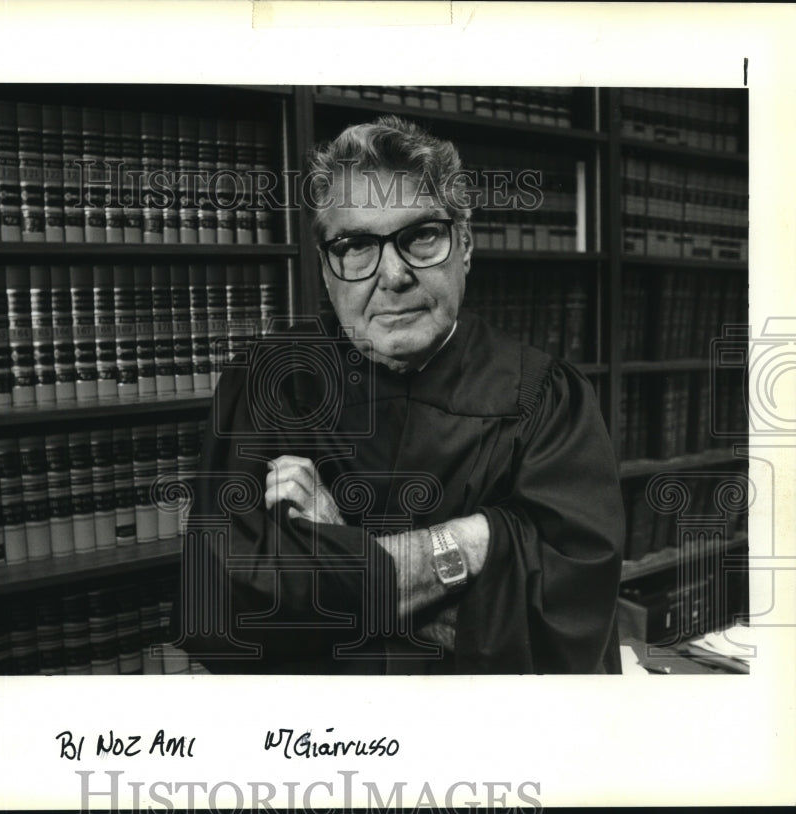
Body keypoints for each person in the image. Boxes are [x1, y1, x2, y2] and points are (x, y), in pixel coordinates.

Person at [174, 115, 624, 674]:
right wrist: (480, 542)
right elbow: (232, 616)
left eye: (421, 237)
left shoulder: (545, 399)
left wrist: (337, 551)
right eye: (356, 245)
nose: (393, 276)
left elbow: (563, 633)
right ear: (325, 268)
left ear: (465, 245)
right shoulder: (272, 383)